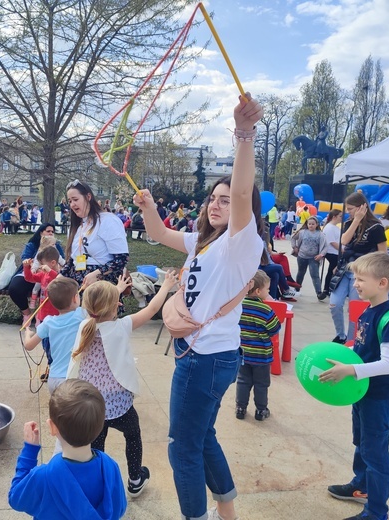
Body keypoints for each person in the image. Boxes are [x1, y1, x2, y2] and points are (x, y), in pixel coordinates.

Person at [132, 93, 264, 520]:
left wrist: (245, 135)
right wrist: (149, 208)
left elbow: (243, 189)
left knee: (181, 447)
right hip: (204, 353)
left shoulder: (240, 242)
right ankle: (227, 511)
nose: (218, 203)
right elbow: (159, 234)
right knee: (203, 437)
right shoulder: (203, 241)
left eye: (226, 200)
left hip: (206, 357)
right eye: (214, 198)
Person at [68, 273, 176, 498]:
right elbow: (151, 308)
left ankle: (96, 484)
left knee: (96, 447)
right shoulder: (122, 326)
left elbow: (99, 305)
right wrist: (165, 286)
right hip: (119, 404)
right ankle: (135, 479)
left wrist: (115, 290)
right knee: (133, 435)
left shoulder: (84, 326)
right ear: (116, 306)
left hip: (92, 405)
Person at [320, 252, 389, 520]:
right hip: (362, 391)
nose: (355, 284)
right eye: (355, 278)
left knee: (375, 453)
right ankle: (361, 485)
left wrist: (351, 370)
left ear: (382, 283)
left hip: (379, 397)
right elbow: (363, 347)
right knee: (362, 442)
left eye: (360, 279)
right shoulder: (369, 309)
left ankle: (377, 512)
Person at [8, 379, 127, 519]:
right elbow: (120, 508)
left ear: (52, 427)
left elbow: (16, 498)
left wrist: (29, 450)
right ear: (100, 426)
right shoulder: (110, 467)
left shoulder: (43, 476)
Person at [329, 192, 386, 344]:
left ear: (362, 207)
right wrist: (356, 220)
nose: (348, 212)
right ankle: (340, 335)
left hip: (363, 271)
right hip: (345, 269)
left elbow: (383, 253)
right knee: (334, 303)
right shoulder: (349, 223)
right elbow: (344, 240)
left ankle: (351, 339)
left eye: (351, 209)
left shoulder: (376, 227)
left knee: (355, 308)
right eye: (347, 209)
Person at [62, 180, 129, 289]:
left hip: (101, 289)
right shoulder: (77, 225)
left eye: (75, 199)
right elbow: (73, 258)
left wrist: (97, 273)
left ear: (88, 197)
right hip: (77, 286)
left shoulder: (108, 220)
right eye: (69, 201)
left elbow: (121, 259)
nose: (72, 204)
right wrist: (60, 276)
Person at [23, 277, 84, 393]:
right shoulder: (81, 315)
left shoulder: (48, 322)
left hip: (54, 378)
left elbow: (28, 346)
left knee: (59, 410)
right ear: (75, 298)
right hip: (73, 379)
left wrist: (28, 333)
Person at [235, 270, 280, 421]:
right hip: (261, 356)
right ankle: (261, 410)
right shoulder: (266, 310)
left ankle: (240, 408)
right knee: (261, 384)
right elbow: (275, 329)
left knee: (243, 381)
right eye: (268, 289)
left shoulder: (238, 306)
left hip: (242, 353)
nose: (268, 291)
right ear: (258, 291)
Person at [8, 223, 64, 322]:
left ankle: (48, 316)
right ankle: (27, 313)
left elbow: (62, 261)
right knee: (14, 288)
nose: (51, 233)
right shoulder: (32, 245)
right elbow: (26, 259)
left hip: (49, 274)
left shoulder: (56, 246)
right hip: (32, 272)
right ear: (41, 232)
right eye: (48, 231)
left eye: (52, 232)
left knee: (53, 288)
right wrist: (34, 265)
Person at [291, 215, 327, 300]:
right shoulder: (302, 232)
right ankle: (297, 288)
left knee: (315, 275)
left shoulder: (320, 234)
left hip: (314, 258)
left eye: (313, 224)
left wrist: (321, 254)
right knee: (301, 272)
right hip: (302, 256)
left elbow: (325, 246)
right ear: (307, 224)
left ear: (317, 224)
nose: (311, 225)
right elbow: (293, 238)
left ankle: (319, 292)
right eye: (309, 224)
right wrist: (294, 247)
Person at [22, 247, 61, 324]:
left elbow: (59, 280)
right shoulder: (44, 274)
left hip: (55, 315)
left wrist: (50, 271)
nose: (40, 266)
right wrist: (26, 267)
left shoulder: (60, 275)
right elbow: (29, 278)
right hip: (43, 313)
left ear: (53, 263)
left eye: (42, 264)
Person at [320, 209, 342, 300]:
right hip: (332, 252)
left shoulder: (335, 227)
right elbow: (332, 242)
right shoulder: (329, 227)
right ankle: (327, 288)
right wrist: (342, 250)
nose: (341, 218)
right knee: (333, 271)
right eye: (340, 216)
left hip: (336, 252)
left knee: (332, 271)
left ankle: (328, 289)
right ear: (334, 217)